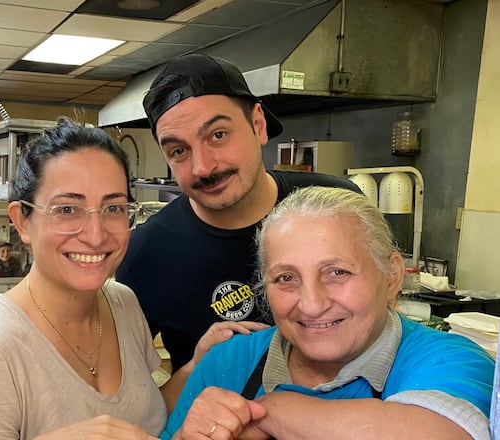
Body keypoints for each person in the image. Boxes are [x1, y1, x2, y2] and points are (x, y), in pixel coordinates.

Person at [0, 117, 238, 439]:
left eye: (113, 208)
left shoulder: (122, 302)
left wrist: (197, 363)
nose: (95, 235)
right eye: (67, 209)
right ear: (21, 222)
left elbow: (146, 416)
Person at [163, 186, 494, 440]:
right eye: (286, 278)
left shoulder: (452, 359)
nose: (312, 304)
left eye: (337, 272)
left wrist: (267, 411)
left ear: (392, 276)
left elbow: (446, 432)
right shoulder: (229, 361)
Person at [116, 53, 361, 372]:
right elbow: (131, 394)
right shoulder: (143, 255)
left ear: (258, 124)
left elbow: (385, 325)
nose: (202, 166)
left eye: (218, 135)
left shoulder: (337, 205)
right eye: (179, 151)